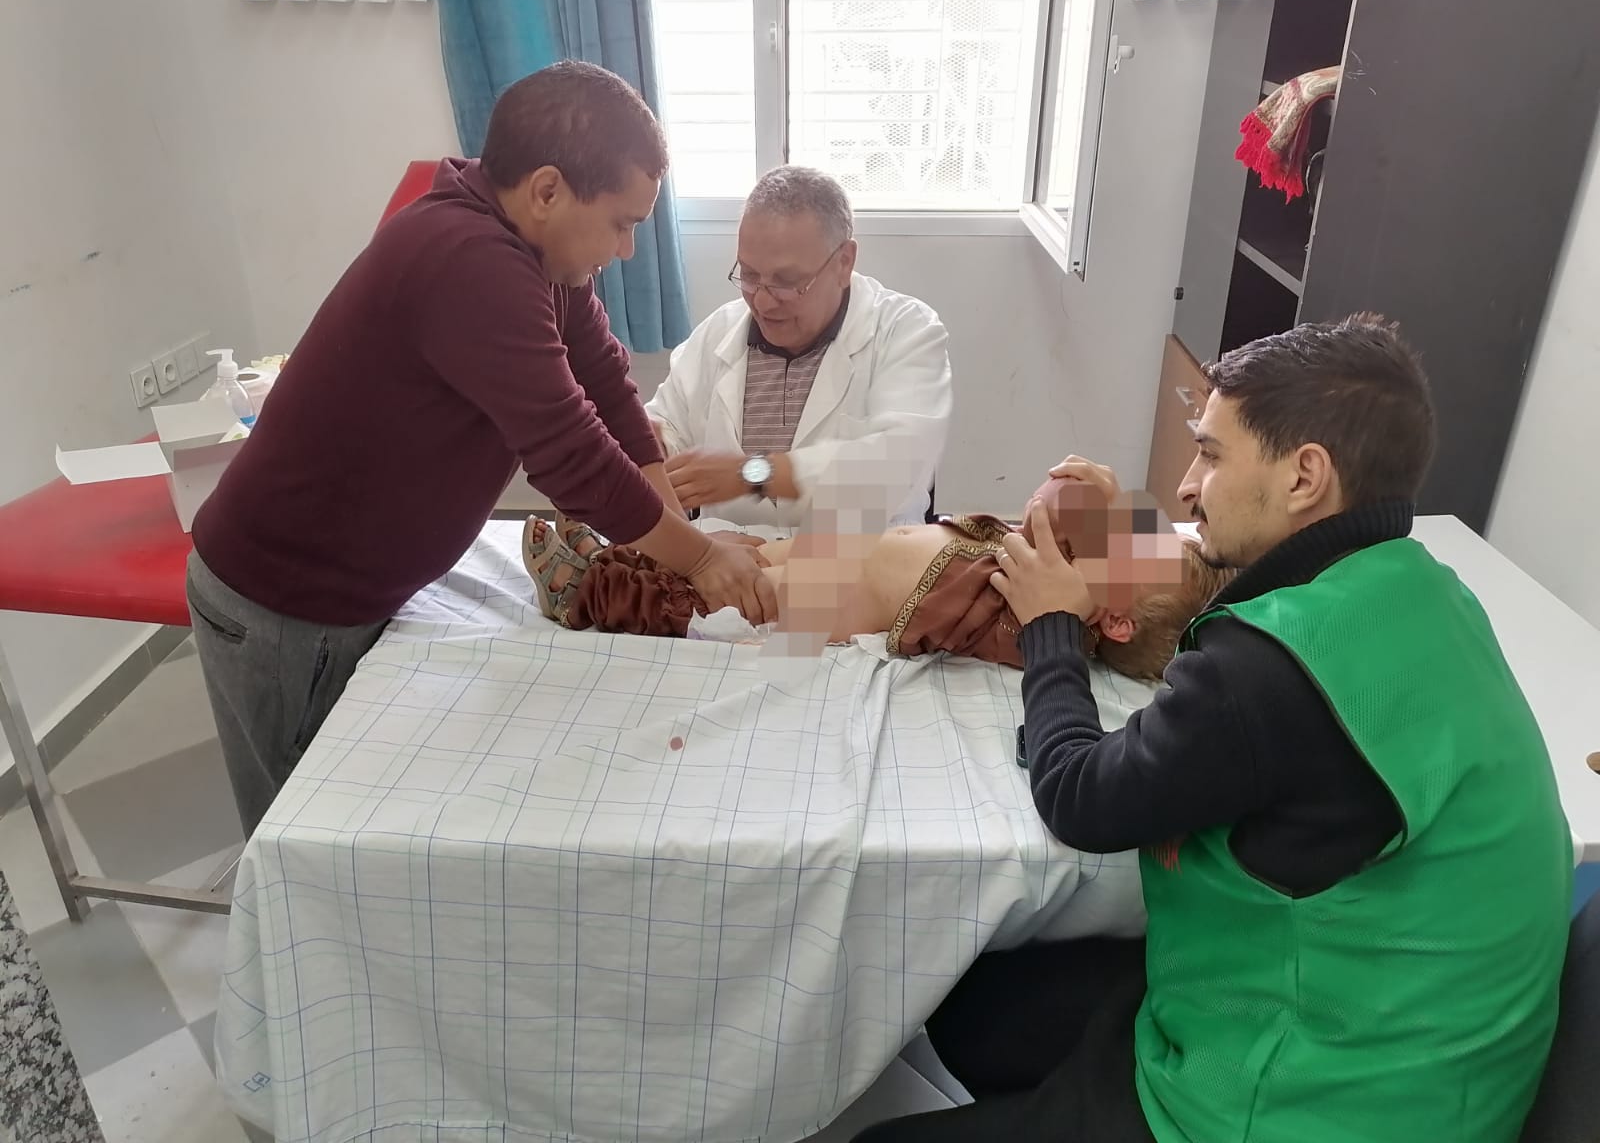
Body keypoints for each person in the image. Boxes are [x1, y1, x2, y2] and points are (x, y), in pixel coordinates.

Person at [853, 314, 1575, 1143]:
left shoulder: (1269, 669)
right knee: (977, 1007)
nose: (1188, 487)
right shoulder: (1424, 589)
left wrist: (1052, 628)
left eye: (1212, 455)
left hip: (1313, 1112)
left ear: (1305, 477)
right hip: (1421, 1057)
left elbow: (1081, 798)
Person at [185, 61, 774, 836]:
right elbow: (571, 455)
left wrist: (671, 529)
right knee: (306, 838)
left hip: (353, 590)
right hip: (286, 604)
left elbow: (605, 380)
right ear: (548, 191)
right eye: (621, 222)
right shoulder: (469, 260)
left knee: (352, 825)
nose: (630, 248)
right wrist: (696, 558)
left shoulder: (539, 252)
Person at [521, 464, 1216, 683]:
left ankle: (587, 592)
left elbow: (1050, 512)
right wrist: (1108, 493)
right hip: (835, 546)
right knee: (735, 553)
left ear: (1114, 621)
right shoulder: (1057, 562)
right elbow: (1058, 497)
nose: (1119, 537)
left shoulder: (1035, 623)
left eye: (1131, 548)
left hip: (829, 601)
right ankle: (614, 556)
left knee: (727, 598)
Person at [644, 166, 953, 531]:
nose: (762, 302)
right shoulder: (718, 332)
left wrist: (752, 474)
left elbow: (896, 466)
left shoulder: (906, 331)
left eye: (787, 282)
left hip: (856, 555)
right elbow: (667, 424)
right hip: (724, 552)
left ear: (844, 262)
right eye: (749, 274)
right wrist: (655, 445)